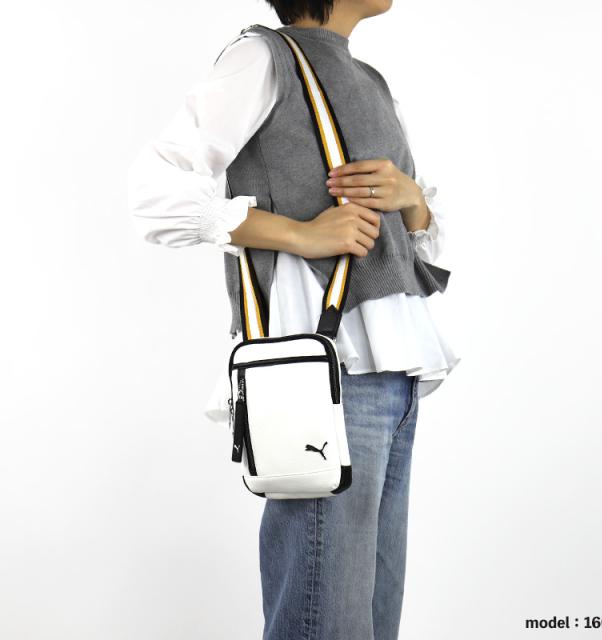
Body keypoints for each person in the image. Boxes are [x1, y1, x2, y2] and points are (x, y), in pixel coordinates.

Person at [128, 1, 460, 638]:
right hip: (320, 376)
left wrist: (413, 202)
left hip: (396, 380)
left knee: (371, 619)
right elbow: (155, 192)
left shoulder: (371, 80)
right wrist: (300, 235)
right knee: (326, 619)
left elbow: (412, 251)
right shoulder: (263, 58)